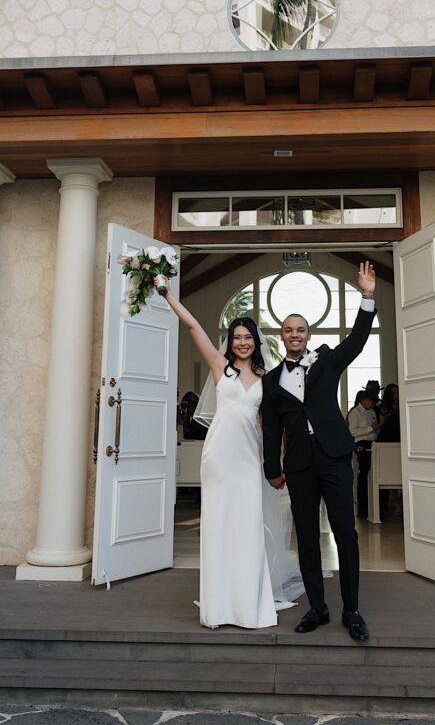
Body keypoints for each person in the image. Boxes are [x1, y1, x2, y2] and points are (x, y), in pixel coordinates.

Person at [261, 262, 377, 642]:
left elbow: (358, 340)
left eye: (301, 329)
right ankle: (317, 607)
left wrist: (367, 296)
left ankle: (353, 610)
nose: (295, 335)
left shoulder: (327, 360)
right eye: (288, 330)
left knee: (345, 532)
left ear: (308, 335)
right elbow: (272, 427)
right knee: (307, 537)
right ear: (281, 337)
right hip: (298, 466)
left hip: (335, 457)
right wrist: (271, 468)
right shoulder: (272, 380)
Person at [158, 283, 277, 629]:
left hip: (247, 460)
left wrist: (275, 464)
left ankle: (249, 606)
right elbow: (193, 326)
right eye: (236, 336)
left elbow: (268, 426)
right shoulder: (218, 365)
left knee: (248, 529)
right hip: (219, 460)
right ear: (230, 340)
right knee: (219, 528)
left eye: (248, 336)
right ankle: (219, 607)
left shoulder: (266, 379)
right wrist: (168, 296)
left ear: (256, 340)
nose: (242, 342)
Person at [347, 389, 379, 519]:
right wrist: (370, 429)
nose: (372, 405)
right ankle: (362, 509)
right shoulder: (355, 413)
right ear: (364, 400)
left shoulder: (372, 412)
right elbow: (352, 432)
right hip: (361, 445)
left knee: (374, 476)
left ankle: (373, 508)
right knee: (363, 477)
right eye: (371, 401)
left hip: (374, 444)